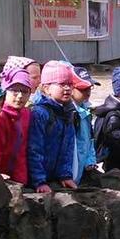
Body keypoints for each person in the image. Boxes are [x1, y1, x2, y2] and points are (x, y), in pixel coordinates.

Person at [27, 61, 79, 193]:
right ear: (46, 88)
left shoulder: (68, 112)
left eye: (69, 84)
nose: (67, 88)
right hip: (39, 179)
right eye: (61, 84)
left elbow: (67, 148)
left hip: (55, 177)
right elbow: (34, 149)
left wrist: (65, 175)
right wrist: (39, 181)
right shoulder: (39, 113)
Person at [0, 68, 33, 184]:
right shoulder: (0, 116)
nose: (20, 96)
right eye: (14, 90)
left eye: (24, 91)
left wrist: (21, 180)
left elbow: (22, 150)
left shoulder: (26, 114)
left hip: (14, 174)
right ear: (5, 91)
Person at [70, 66, 99, 184]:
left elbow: (90, 138)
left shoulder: (86, 110)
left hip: (84, 168)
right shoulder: (71, 113)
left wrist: (90, 160)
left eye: (89, 87)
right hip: (71, 172)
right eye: (83, 89)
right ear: (70, 88)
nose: (88, 92)